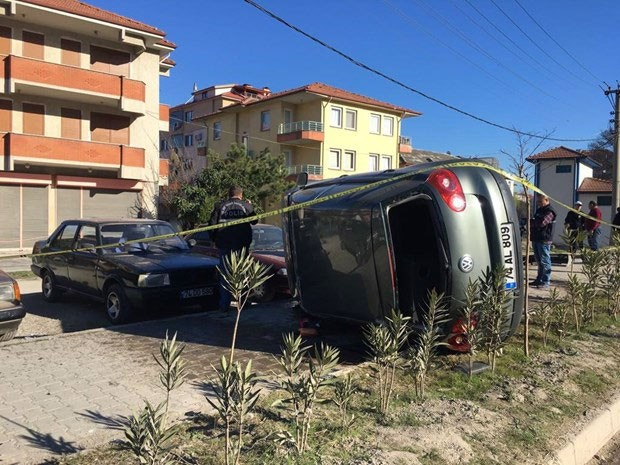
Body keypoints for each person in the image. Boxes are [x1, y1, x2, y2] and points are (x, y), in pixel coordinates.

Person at [209, 186, 258, 310]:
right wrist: (250, 206)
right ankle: (242, 303)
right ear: (241, 195)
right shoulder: (246, 206)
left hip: (225, 245)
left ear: (229, 194)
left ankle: (224, 305)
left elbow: (212, 225)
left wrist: (214, 240)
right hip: (242, 246)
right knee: (242, 273)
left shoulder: (220, 206)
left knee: (225, 275)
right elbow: (255, 221)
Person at [530, 194, 556, 288]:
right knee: (539, 261)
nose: (538, 203)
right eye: (538, 201)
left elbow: (541, 223)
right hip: (536, 238)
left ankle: (546, 281)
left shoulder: (550, 211)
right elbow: (534, 221)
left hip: (544, 239)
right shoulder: (539, 210)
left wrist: (532, 223)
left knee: (545, 260)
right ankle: (539, 279)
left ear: (546, 200)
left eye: (540, 201)